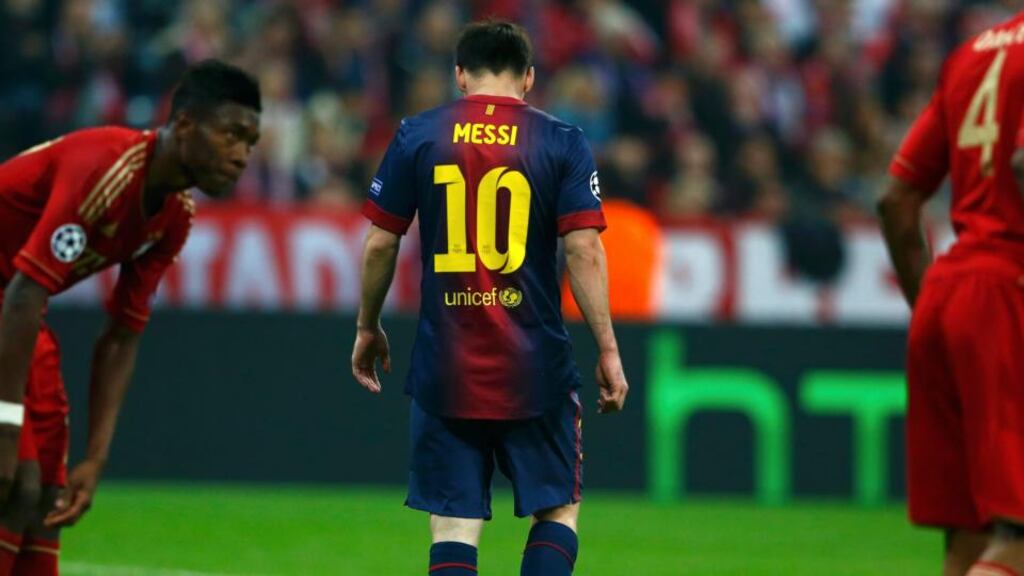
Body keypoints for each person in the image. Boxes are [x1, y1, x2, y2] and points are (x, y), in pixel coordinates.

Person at [351, 20, 628, 576]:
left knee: (454, 523)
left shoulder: (418, 134)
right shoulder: (562, 140)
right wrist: (607, 348)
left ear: (460, 75)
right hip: (535, 365)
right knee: (558, 509)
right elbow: (584, 250)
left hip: (446, 365)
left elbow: (381, 241)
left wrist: (367, 325)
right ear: (529, 77)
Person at [0, 59, 260, 575]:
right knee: (16, 482)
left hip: (17, 310)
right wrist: (5, 427)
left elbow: (122, 335)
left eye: (250, 144)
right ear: (184, 124)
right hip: (17, 304)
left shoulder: (174, 217)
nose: (241, 156)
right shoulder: (106, 168)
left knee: (50, 496)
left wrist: (95, 459)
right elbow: (26, 292)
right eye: (231, 135)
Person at [879, 13, 1024, 576]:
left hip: (948, 294)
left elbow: (895, 201)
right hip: (1006, 288)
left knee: (969, 540)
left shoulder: (972, 54)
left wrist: (941, 315)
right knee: (1018, 539)